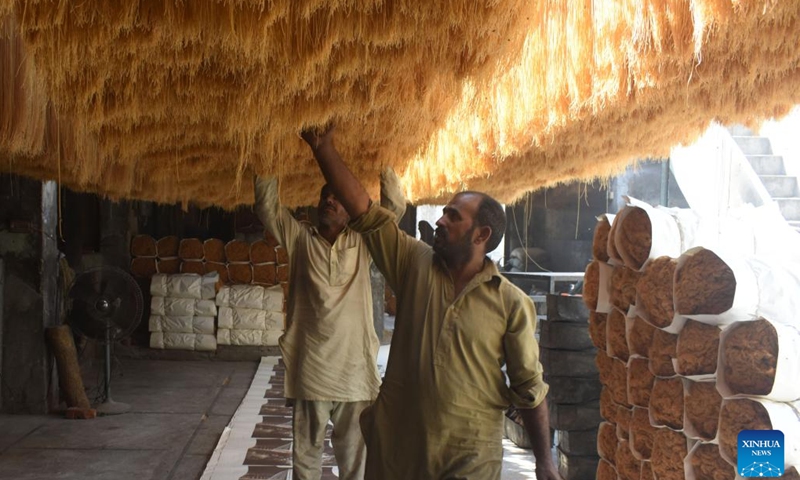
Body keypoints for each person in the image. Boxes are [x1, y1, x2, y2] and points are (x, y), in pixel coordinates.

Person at [300, 125, 563, 480]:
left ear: (481, 236)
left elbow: (529, 389)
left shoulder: (511, 303)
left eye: (454, 216)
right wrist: (323, 149)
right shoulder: (413, 262)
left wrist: (545, 462)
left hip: (469, 458)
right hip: (398, 453)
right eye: (444, 212)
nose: (440, 220)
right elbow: (363, 210)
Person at [253, 169, 406, 480]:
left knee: (355, 465)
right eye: (325, 196)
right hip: (311, 372)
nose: (330, 200)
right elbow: (267, 207)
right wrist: (267, 159)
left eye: (338, 196)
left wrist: (385, 163)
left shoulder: (365, 242)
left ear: (351, 209)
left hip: (355, 373)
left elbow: (395, 209)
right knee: (306, 463)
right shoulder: (299, 239)